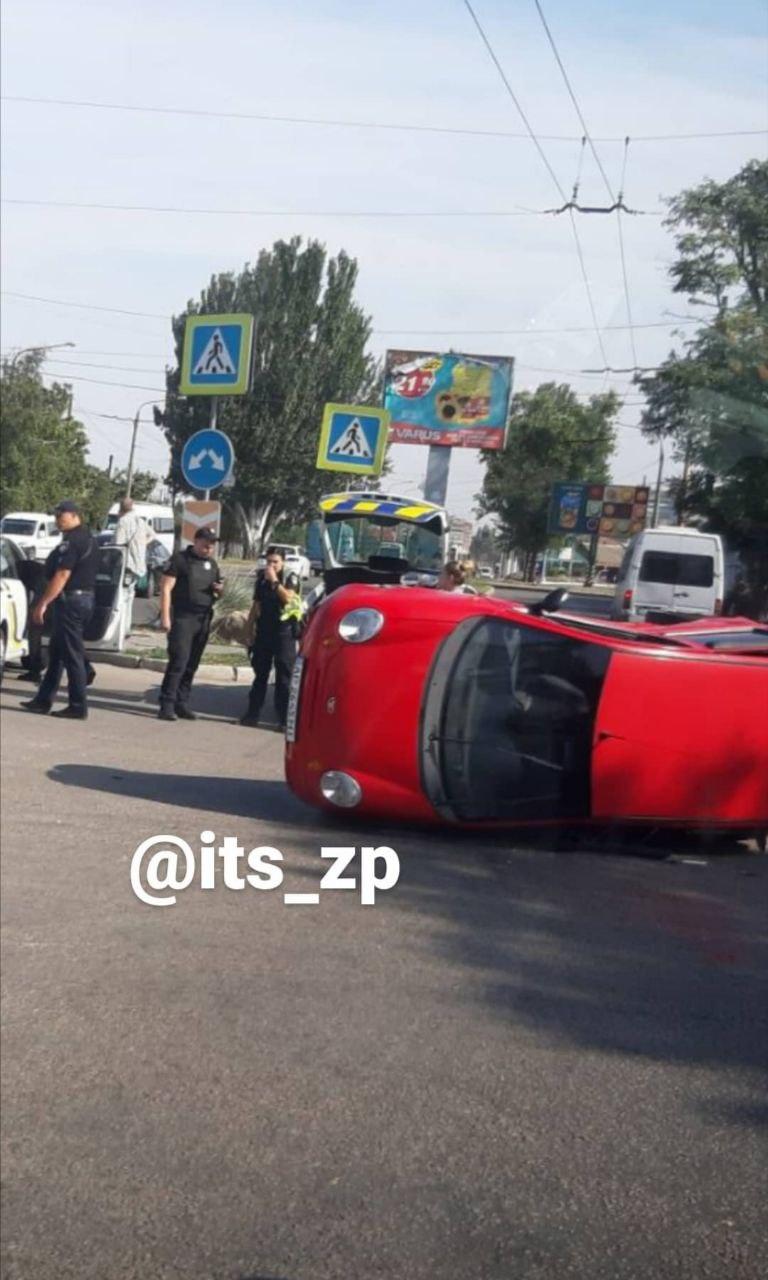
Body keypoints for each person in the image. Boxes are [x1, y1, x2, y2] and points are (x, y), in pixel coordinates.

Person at [21, 500, 97, 719]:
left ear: (74, 515)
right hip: (82, 600)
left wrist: (43, 603)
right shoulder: (88, 539)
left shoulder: (73, 541)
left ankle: (78, 705)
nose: (57, 520)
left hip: (72, 601)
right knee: (57, 653)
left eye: (60, 516)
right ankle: (43, 700)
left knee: (71, 655)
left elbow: (62, 575)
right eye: (56, 516)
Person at [157, 526, 223, 721]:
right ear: (196, 541)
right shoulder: (180, 560)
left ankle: (181, 702)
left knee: (192, 664)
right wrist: (165, 616)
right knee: (179, 661)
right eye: (205, 544)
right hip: (183, 617)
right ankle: (166, 704)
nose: (208, 548)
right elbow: (166, 587)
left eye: (211, 545)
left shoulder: (212, 564)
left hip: (203, 618)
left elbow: (218, 590)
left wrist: (219, 590)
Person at [239, 547, 301, 729]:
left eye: (275, 562)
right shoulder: (261, 579)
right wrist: (248, 629)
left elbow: (289, 599)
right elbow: (256, 605)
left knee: (283, 677)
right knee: (260, 675)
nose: (271, 565)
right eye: (269, 562)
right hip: (265, 630)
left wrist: (274, 581)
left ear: (283, 563)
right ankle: (252, 714)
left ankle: (283, 719)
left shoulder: (290, 577)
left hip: (284, 632)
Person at [113, 497, 148, 622]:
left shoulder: (123, 521)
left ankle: (120, 626)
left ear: (121, 507)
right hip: (138, 566)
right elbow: (152, 535)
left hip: (126, 565)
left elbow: (118, 545)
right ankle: (127, 625)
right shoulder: (140, 521)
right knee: (130, 596)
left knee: (121, 597)